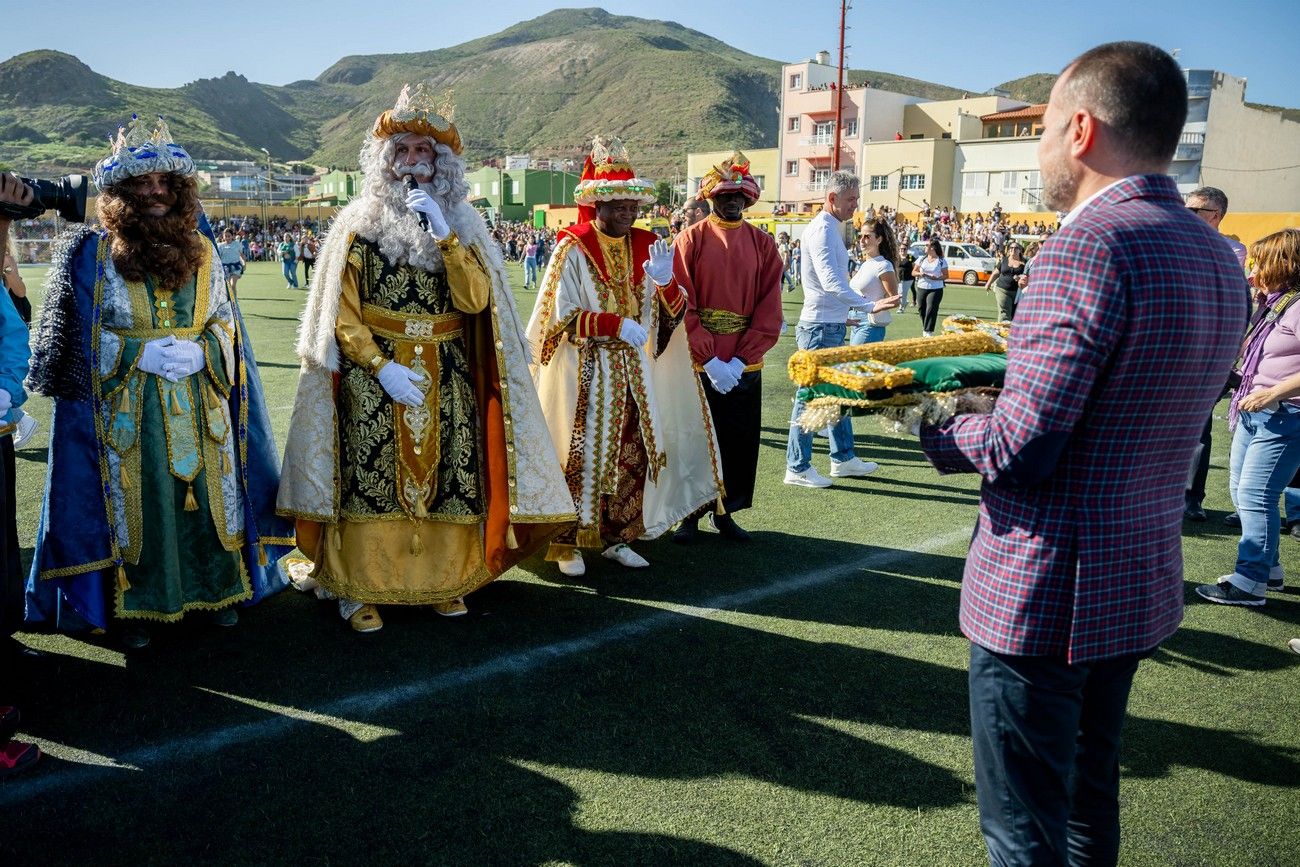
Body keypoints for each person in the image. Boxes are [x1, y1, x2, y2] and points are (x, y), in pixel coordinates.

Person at [916, 42, 1244, 866]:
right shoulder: (1215, 249)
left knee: (1023, 824)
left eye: (1046, 128)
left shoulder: (1087, 243)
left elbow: (1022, 448)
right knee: (1088, 800)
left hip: (1047, 588)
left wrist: (934, 422)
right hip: (1134, 574)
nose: (1040, 149)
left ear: (1082, 129)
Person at [278, 84, 575, 632]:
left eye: (425, 153)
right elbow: (340, 316)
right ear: (384, 161)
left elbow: (477, 302)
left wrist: (445, 238)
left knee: (452, 476)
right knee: (369, 473)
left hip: (448, 370)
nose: (414, 163)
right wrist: (380, 366)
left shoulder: (466, 226)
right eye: (404, 152)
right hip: (376, 374)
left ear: (443, 164)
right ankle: (355, 583)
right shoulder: (357, 225)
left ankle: (443, 579)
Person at [26, 114, 293, 649]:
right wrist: (135, 353)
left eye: (165, 184)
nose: (155, 193)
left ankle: (219, 594)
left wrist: (205, 350)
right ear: (121, 193)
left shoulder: (205, 248)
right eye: (142, 184)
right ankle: (137, 611)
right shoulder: (89, 254)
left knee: (212, 496)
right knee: (138, 502)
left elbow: (225, 320)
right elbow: (73, 340)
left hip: (202, 398)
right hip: (127, 405)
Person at [526, 136, 722, 575]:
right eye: (617, 207)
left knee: (632, 452)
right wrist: (613, 324)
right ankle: (568, 543)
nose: (627, 214)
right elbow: (560, 318)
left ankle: (620, 536)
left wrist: (668, 281)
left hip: (635, 371)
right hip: (587, 372)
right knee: (580, 453)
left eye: (632, 207)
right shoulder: (571, 248)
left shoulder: (646, 245)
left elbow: (670, 315)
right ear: (596, 206)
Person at [671, 152, 783, 543]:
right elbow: (681, 301)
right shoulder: (689, 240)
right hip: (699, 363)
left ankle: (727, 513)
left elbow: (770, 307)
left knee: (736, 439)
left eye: (739, 195)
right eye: (725, 195)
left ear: (748, 198)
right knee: (696, 439)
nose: (732, 201)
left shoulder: (764, 244)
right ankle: (689, 515)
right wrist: (707, 355)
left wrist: (741, 358)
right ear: (711, 197)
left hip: (743, 364)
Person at [1195, 229, 1300, 607]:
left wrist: (1273, 392)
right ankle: (1268, 571)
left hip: (1285, 413)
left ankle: (1250, 582)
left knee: (1257, 495)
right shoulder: (1276, 302)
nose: (1254, 267)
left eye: (1262, 260)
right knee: (1244, 492)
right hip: (1256, 411)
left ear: (1285, 263)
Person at [784, 171, 888, 489]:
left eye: (857, 198)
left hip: (827, 323)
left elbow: (827, 286)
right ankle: (798, 466)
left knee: (836, 394)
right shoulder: (823, 230)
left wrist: (844, 315)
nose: (856, 206)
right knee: (811, 397)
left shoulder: (830, 227)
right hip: (819, 326)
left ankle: (842, 458)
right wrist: (868, 306)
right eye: (851, 199)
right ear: (832, 198)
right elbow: (831, 284)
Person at [1183, 185, 1253, 521]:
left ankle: (1192, 498)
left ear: (1216, 216)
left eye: (1195, 211)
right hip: (1169, 359)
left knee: (1198, 430)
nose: (1187, 215)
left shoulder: (1229, 252)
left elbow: (1239, 311)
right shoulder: (1176, 245)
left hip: (1205, 362)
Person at [847, 219, 901, 345]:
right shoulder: (865, 264)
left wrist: (873, 305)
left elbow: (895, 299)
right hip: (854, 320)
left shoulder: (883, 265)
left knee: (855, 362)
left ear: (879, 240)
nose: (861, 240)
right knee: (853, 363)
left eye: (867, 236)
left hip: (870, 323)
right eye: (860, 236)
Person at [912, 239, 947, 337]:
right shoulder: (921, 259)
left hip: (936, 288)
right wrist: (920, 274)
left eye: (927, 245)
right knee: (921, 309)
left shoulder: (941, 260)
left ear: (933, 247)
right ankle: (925, 328)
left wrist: (937, 278)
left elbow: (946, 275)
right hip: (921, 287)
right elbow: (913, 272)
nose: (925, 247)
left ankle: (928, 331)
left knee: (931, 308)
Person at [984, 242, 1026, 322]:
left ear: (1020, 250)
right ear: (1009, 250)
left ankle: (1012, 331)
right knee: (1005, 313)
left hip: (1017, 293)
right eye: (1011, 248)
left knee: (1015, 314)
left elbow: (1028, 276)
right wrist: (988, 283)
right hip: (1002, 290)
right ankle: (1003, 332)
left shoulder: (1025, 263)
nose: (1013, 249)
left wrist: (1020, 278)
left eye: (1016, 248)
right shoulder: (1004, 260)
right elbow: (996, 272)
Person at [216, 227, 246, 295]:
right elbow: (218, 258)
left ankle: (234, 302)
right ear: (223, 236)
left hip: (236, 267)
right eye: (225, 236)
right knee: (227, 286)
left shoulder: (237, 244)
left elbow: (242, 255)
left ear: (232, 236)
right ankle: (229, 300)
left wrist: (244, 264)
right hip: (225, 268)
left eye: (229, 236)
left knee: (233, 284)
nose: (227, 238)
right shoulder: (220, 246)